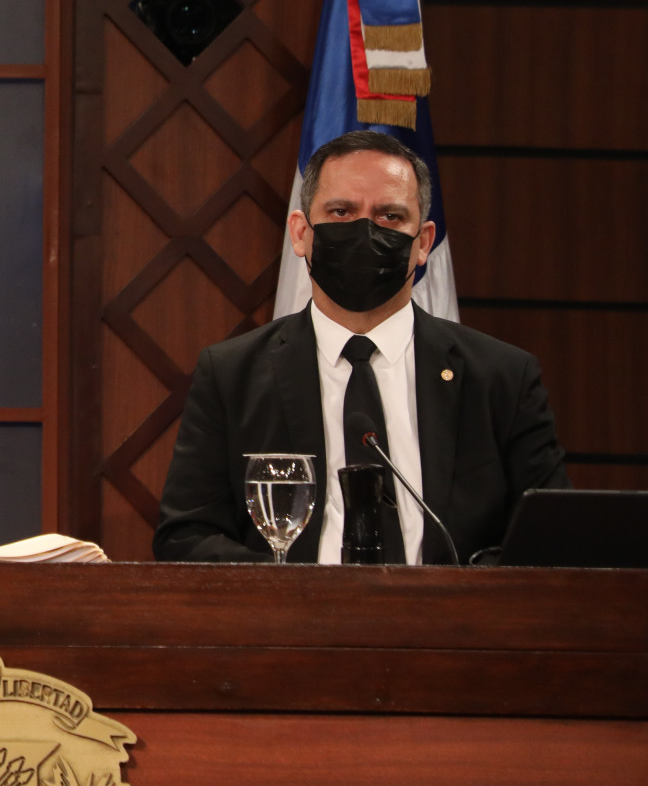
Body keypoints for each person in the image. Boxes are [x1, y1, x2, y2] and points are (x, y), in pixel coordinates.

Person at [155, 130, 567, 564]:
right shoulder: (232, 374)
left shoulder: (502, 376)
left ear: (424, 243)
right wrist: (289, 590)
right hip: (294, 607)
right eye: (341, 212)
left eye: (390, 216)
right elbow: (186, 537)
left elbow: (553, 540)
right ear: (301, 233)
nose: (365, 231)